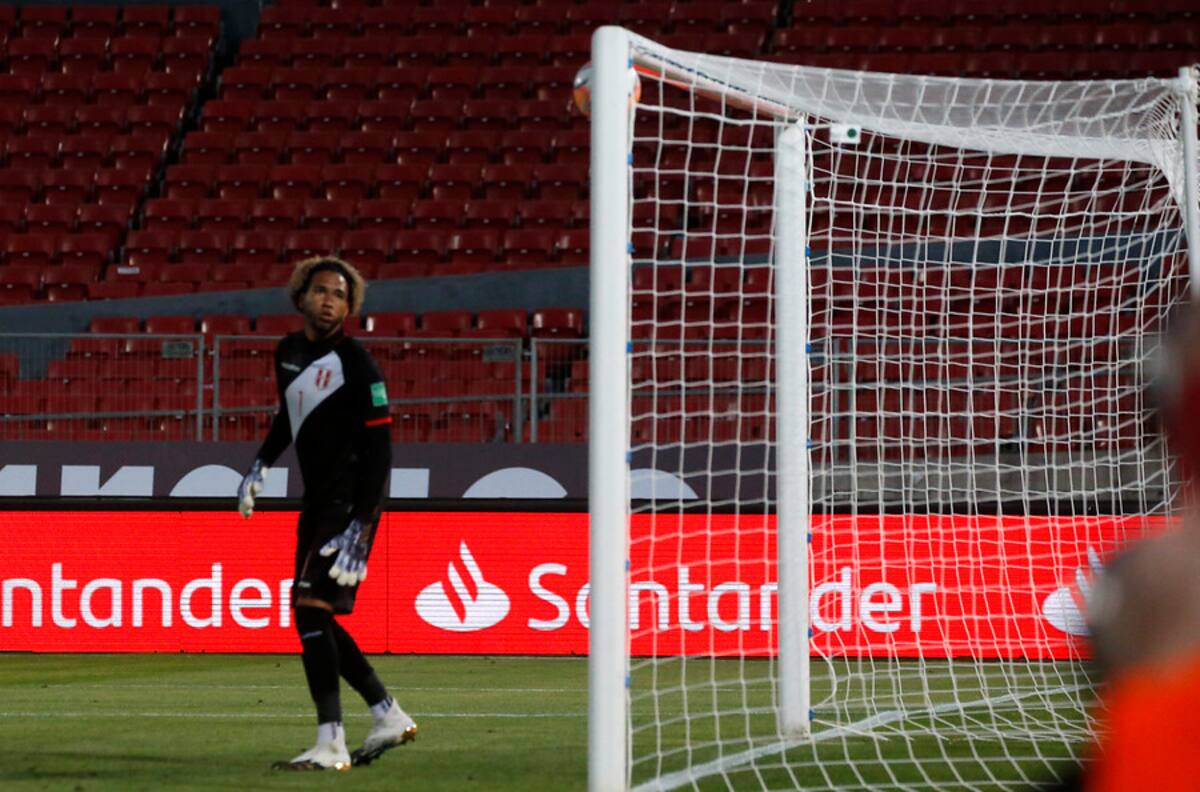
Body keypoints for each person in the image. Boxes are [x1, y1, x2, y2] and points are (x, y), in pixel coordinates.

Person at [236, 256, 416, 771]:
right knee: (311, 614)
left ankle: (331, 742)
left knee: (310, 609)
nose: (329, 300)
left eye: (339, 294)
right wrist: (261, 462)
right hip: (315, 502)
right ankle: (387, 714)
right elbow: (289, 417)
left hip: (349, 506)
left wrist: (363, 524)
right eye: (320, 290)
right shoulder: (288, 353)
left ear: (350, 305)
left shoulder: (359, 365)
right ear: (301, 297)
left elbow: (382, 451)